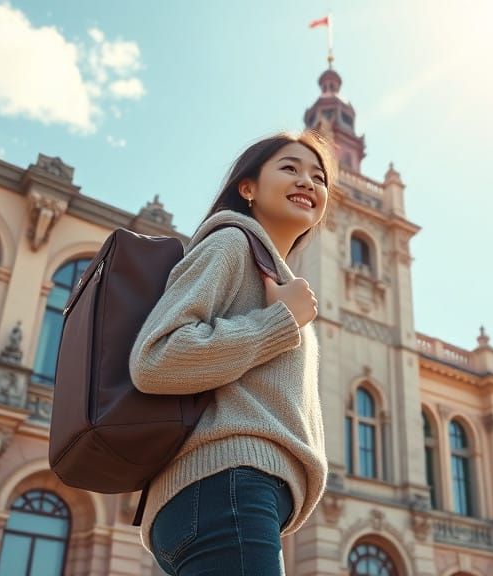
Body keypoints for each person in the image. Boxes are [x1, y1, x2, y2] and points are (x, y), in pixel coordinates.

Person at [128, 130, 334, 575]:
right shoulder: (231, 243)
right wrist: (280, 322)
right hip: (228, 488)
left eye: (319, 177)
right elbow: (157, 358)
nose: (308, 182)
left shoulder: (272, 275)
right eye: (290, 168)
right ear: (248, 187)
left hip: (234, 496)